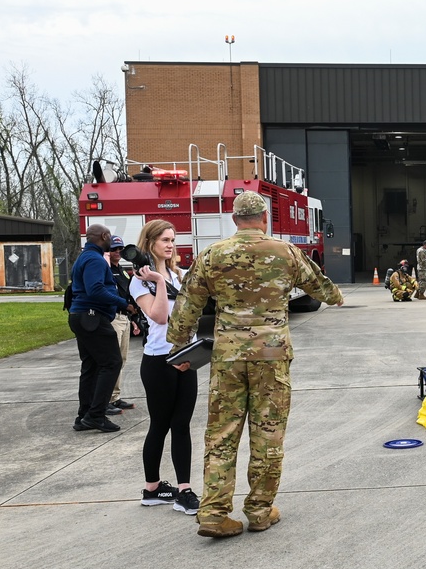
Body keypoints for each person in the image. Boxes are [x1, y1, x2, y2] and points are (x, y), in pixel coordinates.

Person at [166, 191, 344, 538]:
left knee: (221, 434)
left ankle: (215, 513)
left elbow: (188, 303)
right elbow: (320, 287)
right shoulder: (286, 253)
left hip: (227, 357)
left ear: (234, 220)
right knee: (268, 434)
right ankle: (260, 511)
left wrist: (179, 345)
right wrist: (336, 296)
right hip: (271, 358)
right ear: (265, 217)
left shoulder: (213, 255)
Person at [129, 219, 201, 516]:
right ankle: (152, 488)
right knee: (160, 424)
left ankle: (183, 489)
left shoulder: (179, 274)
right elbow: (159, 317)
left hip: (187, 354)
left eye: (173, 239)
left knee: (182, 424)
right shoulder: (140, 280)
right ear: (150, 243)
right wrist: (158, 281)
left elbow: (191, 313)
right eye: (164, 240)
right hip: (159, 359)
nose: (171, 245)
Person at [68, 224, 126, 433]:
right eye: (109, 237)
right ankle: (96, 416)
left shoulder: (84, 257)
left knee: (91, 366)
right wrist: (122, 303)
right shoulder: (94, 259)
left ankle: (84, 415)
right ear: (103, 236)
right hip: (92, 317)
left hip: (81, 317)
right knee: (112, 362)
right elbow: (95, 290)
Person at [107, 236, 137, 415]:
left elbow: (128, 294)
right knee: (112, 360)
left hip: (125, 318)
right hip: (113, 318)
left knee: (122, 359)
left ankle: (115, 397)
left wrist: (133, 319)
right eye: (113, 249)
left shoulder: (123, 270)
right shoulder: (105, 269)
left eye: (120, 249)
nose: (117, 252)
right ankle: (106, 399)